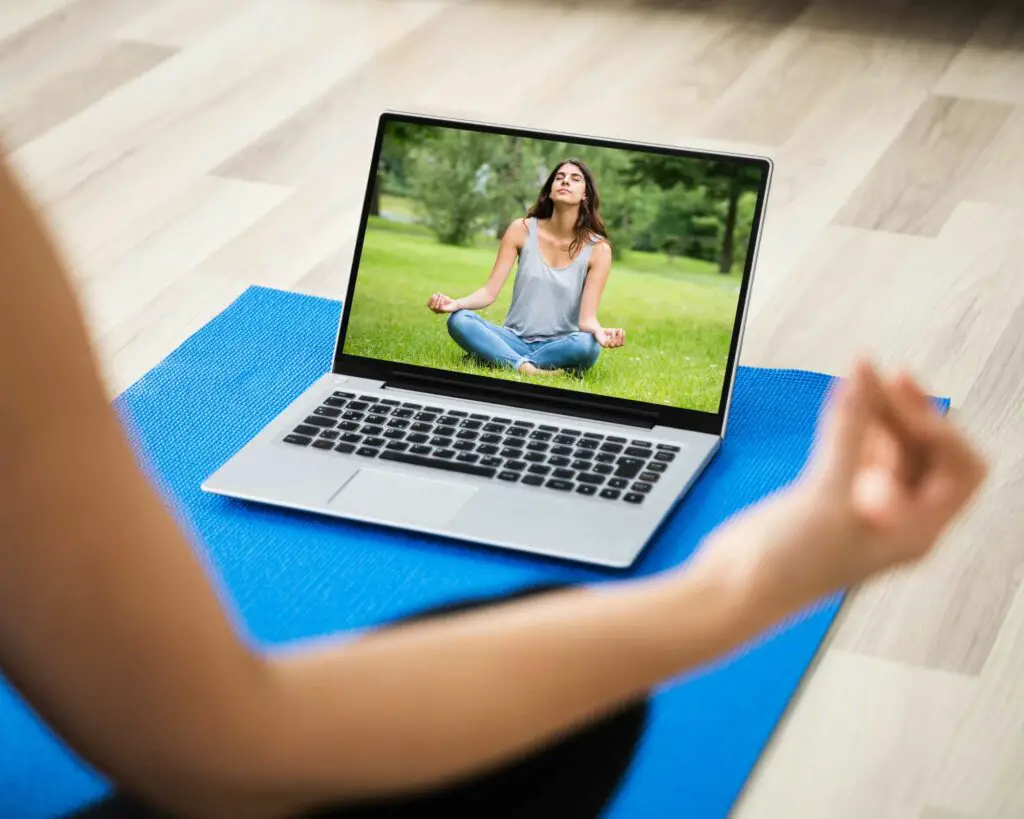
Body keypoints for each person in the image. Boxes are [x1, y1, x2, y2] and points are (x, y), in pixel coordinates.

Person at [0, 142, 989, 819]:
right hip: (499, 334)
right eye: (553, 175)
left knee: (571, 351)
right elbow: (208, 744)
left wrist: (589, 337)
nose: (561, 185)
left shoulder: (594, 247)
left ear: (582, 192)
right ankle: (513, 365)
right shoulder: (519, 231)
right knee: (573, 707)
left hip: (550, 346)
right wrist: (739, 586)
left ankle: (526, 367)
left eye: (569, 177)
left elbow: (591, 312)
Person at [426, 159, 626, 378]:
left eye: (574, 179)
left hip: (561, 346)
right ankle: (528, 369)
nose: (565, 181)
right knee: (459, 320)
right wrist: (456, 304)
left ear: (585, 194)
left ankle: (496, 358)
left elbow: (586, 320)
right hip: (514, 338)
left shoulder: (599, 249)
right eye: (559, 177)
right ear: (550, 191)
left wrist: (599, 332)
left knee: (588, 346)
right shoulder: (520, 229)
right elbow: (489, 293)